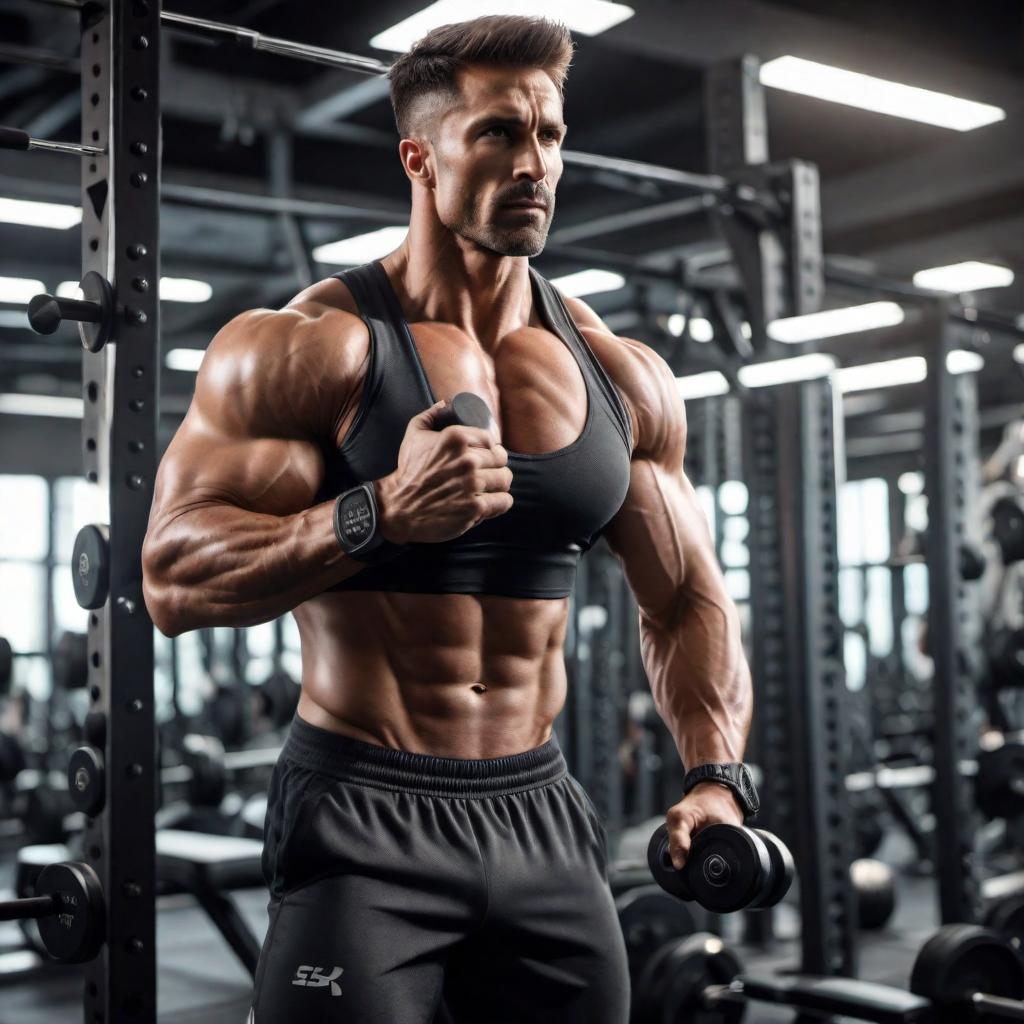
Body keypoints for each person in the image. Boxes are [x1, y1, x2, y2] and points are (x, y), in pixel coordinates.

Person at [141, 14, 753, 1023]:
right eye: (498, 135)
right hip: (360, 814)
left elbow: (687, 596)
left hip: (541, 813)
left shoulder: (620, 374)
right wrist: (372, 514)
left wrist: (714, 777)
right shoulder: (310, 348)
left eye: (549, 136)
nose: (533, 165)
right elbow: (170, 578)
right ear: (419, 157)